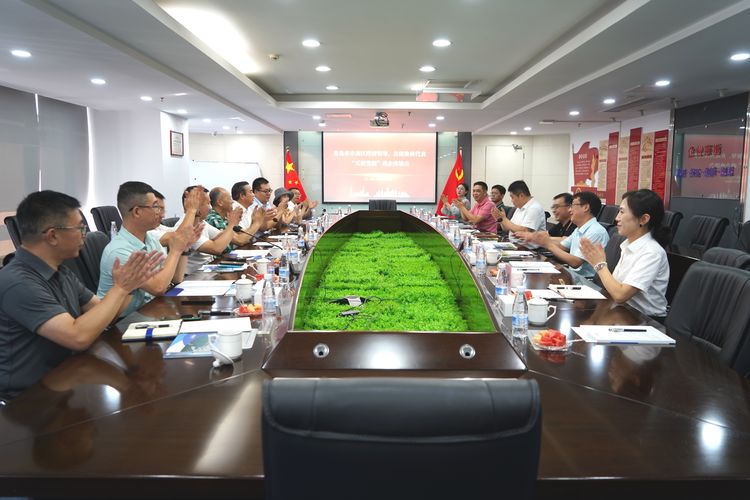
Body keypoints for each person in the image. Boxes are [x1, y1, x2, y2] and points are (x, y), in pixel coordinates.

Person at [0, 190, 162, 399]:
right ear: (52, 235)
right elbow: (77, 337)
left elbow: (103, 313)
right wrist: (119, 289)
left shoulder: (61, 271)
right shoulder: (18, 282)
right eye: (79, 228)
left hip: (69, 379)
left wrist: (129, 286)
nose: (84, 234)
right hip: (29, 400)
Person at [97, 181, 191, 317]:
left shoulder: (150, 239)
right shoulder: (119, 251)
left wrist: (184, 249)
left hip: (148, 312)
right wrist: (175, 251)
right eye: (155, 207)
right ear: (137, 211)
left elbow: (175, 278)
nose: (161, 214)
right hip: (123, 323)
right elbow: (158, 287)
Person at [579, 189, 669, 318]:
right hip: (621, 312)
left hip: (645, 320)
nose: (617, 218)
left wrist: (599, 264)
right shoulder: (628, 245)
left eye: (622, 212)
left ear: (643, 219)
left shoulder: (652, 252)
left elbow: (620, 295)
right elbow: (615, 289)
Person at [519, 191, 609, 282]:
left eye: (573, 205)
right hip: (574, 277)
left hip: (587, 282)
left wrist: (548, 245)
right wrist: (536, 239)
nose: (570, 210)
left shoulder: (595, 232)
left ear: (585, 207)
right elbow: (563, 245)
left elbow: (576, 262)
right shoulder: (579, 229)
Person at [155, 186, 243, 274]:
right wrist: (232, 225)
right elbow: (216, 248)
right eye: (208, 203)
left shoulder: (202, 222)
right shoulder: (185, 227)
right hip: (193, 275)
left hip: (206, 270)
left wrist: (232, 226)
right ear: (197, 207)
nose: (210, 208)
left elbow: (224, 237)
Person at [491, 180, 546, 245]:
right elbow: (507, 229)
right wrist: (500, 220)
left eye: (512, 197)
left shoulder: (534, 208)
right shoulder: (519, 207)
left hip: (527, 248)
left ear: (521, 196)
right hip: (513, 244)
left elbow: (524, 231)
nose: (511, 200)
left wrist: (504, 219)